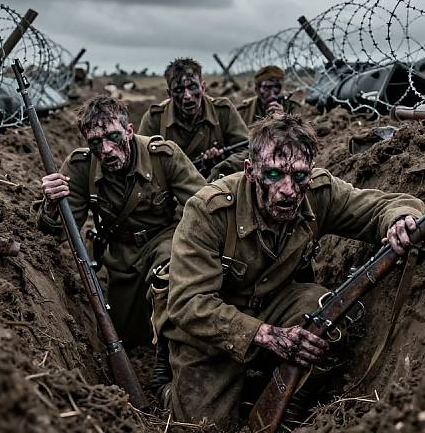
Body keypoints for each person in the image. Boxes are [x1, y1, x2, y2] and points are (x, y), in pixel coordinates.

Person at [163, 113, 425, 426]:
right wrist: (266, 335)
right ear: (250, 171)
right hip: (213, 331)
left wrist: (400, 221)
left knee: (327, 311)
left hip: (277, 309)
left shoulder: (318, 193)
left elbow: (382, 206)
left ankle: (290, 406)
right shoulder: (208, 211)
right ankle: (168, 387)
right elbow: (187, 304)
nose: (289, 190)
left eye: (299, 176)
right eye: (274, 174)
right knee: (203, 425)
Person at [35, 96, 206, 349]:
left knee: (170, 279)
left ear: (129, 131)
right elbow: (58, 235)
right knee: (125, 334)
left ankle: (170, 355)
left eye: (113, 137)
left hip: (163, 240)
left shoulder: (163, 156)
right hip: (120, 253)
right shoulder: (81, 166)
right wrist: (50, 203)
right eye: (95, 142)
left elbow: (204, 205)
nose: (105, 150)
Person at [138, 57, 249, 175]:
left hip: (217, 185)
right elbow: (141, 161)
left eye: (192, 87)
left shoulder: (222, 112)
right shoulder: (155, 119)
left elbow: (248, 151)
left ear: (203, 88)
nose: (187, 96)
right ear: (169, 94)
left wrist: (222, 163)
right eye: (179, 90)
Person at [208, 65, 301, 181]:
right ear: (257, 89)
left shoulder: (293, 108)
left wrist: (283, 120)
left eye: (277, 87)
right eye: (267, 88)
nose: (272, 93)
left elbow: (300, 141)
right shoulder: (244, 110)